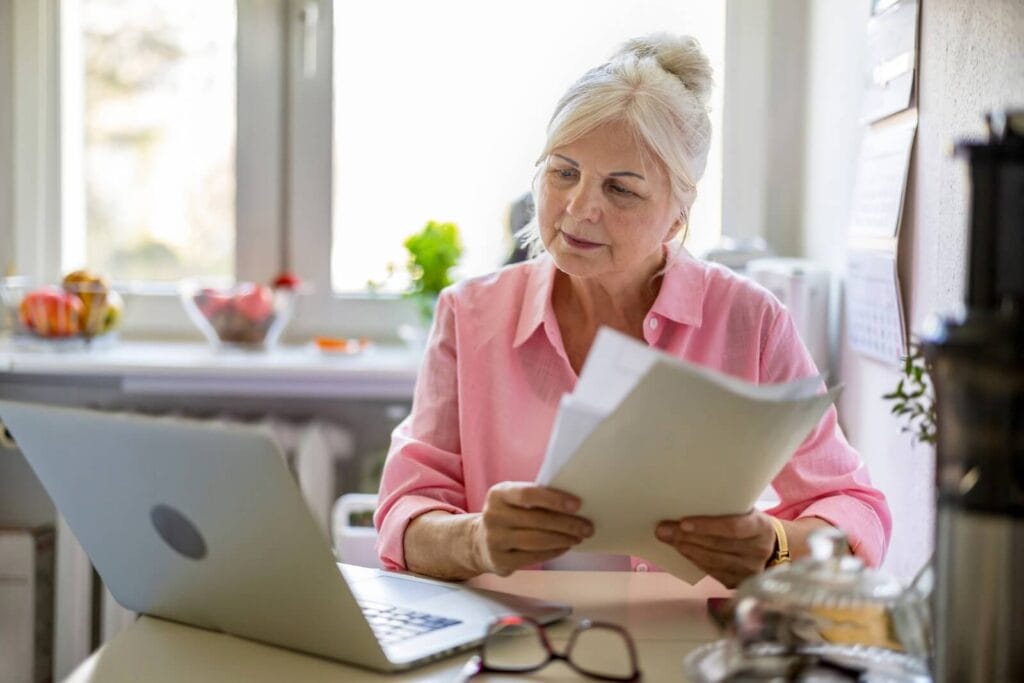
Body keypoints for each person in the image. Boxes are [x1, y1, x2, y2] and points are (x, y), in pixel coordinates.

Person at [374, 33, 891, 588]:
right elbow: (406, 517)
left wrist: (777, 546)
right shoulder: (470, 315)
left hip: (693, 648)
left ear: (676, 217)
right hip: (518, 646)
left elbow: (857, 512)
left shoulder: (751, 321)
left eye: (621, 189)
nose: (578, 208)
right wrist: (474, 540)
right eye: (563, 171)